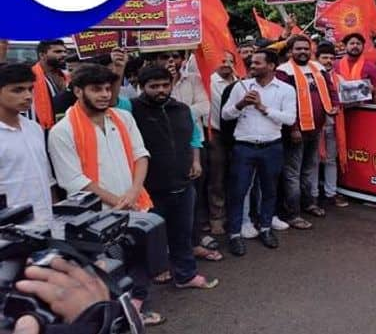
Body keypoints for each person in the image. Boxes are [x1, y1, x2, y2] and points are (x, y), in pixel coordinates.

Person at [46, 64, 161, 326]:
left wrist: (133, 193)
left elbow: (140, 155)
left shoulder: (123, 117)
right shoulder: (62, 131)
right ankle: (118, 319)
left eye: (108, 89)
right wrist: (117, 201)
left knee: (140, 263)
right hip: (98, 219)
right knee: (109, 272)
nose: (104, 95)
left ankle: (138, 309)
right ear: (77, 91)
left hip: (136, 206)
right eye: (96, 89)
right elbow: (74, 181)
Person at [130, 66, 219, 289]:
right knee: (152, 236)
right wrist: (120, 67)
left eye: (165, 85)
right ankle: (158, 269)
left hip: (183, 183)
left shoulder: (182, 109)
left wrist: (196, 161)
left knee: (183, 232)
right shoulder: (131, 110)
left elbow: (194, 137)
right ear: (142, 87)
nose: (160, 90)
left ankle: (185, 275)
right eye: (154, 87)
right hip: (150, 188)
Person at [222, 49, 296, 256]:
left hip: (271, 147)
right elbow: (226, 115)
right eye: (251, 63)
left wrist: (262, 107)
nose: (251, 66)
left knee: (269, 190)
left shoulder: (286, 89)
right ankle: (235, 234)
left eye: (256, 63)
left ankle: (265, 228)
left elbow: (289, 119)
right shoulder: (240, 87)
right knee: (238, 191)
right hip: (244, 147)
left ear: (271, 66)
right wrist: (241, 103)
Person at [276, 35, 340, 226]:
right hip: (295, 131)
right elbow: (284, 102)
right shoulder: (283, 71)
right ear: (290, 51)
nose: (303, 52)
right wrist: (293, 128)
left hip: (316, 128)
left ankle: (307, 204)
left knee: (309, 169)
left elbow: (331, 90)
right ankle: (293, 213)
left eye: (306, 48)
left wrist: (334, 105)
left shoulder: (318, 67)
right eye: (298, 49)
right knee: (293, 172)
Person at [0, 63, 53, 225]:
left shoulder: (34, 128)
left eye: (30, 89)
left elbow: (46, 179)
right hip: (10, 234)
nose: (28, 96)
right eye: (18, 90)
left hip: (46, 225)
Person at [315, 42, 348, 208]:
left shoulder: (340, 79)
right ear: (317, 59)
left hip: (333, 126)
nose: (328, 61)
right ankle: (312, 196)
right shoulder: (310, 77)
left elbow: (347, 101)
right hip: (314, 128)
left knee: (330, 161)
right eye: (324, 57)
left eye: (331, 58)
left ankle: (330, 193)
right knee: (313, 162)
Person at [207, 51, 237, 235]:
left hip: (239, 136)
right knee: (216, 179)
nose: (226, 63)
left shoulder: (241, 81)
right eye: (222, 60)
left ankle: (237, 215)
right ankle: (216, 218)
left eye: (230, 61)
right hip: (216, 135)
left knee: (237, 177)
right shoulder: (206, 81)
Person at [28, 39, 68, 129]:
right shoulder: (29, 77)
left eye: (65, 51)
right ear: (42, 55)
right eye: (58, 52)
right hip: (38, 128)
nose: (64, 55)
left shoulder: (65, 76)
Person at [335, 33, 376, 105]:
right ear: (345, 46)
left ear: (363, 47)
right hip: (341, 111)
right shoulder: (335, 65)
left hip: (364, 110)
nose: (355, 46)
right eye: (352, 43)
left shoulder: (372, 67)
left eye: (358, 43)